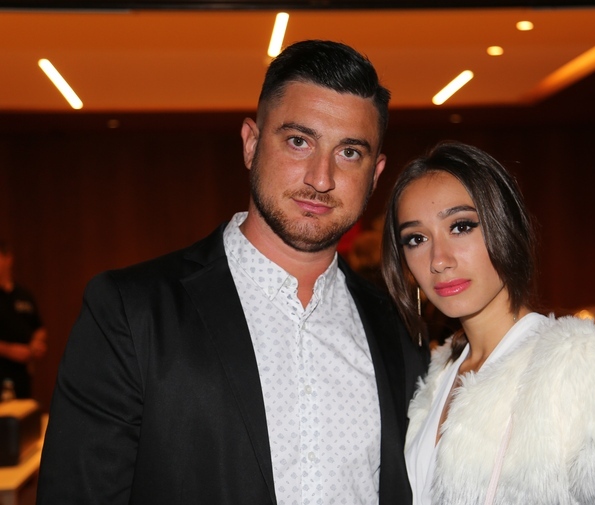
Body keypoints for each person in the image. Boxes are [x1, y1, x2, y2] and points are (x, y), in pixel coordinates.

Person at [37, 40, 427, 505]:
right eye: (298, 141)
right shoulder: (132, 312)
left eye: (349, 153)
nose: (320, 178)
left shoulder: (397, 327)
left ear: (375, 173)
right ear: (251, 144)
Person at [381, 142, 595, 504]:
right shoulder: (436, 374)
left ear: (506, 226)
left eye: (461, 226)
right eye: (416, 239)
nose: (438, 260)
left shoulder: (582, 363)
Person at [0, 240, 47, 399]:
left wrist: (35, 344)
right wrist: (9, 350)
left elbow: (39, 328)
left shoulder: (24, 294)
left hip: (22, 375)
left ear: (8, 259)